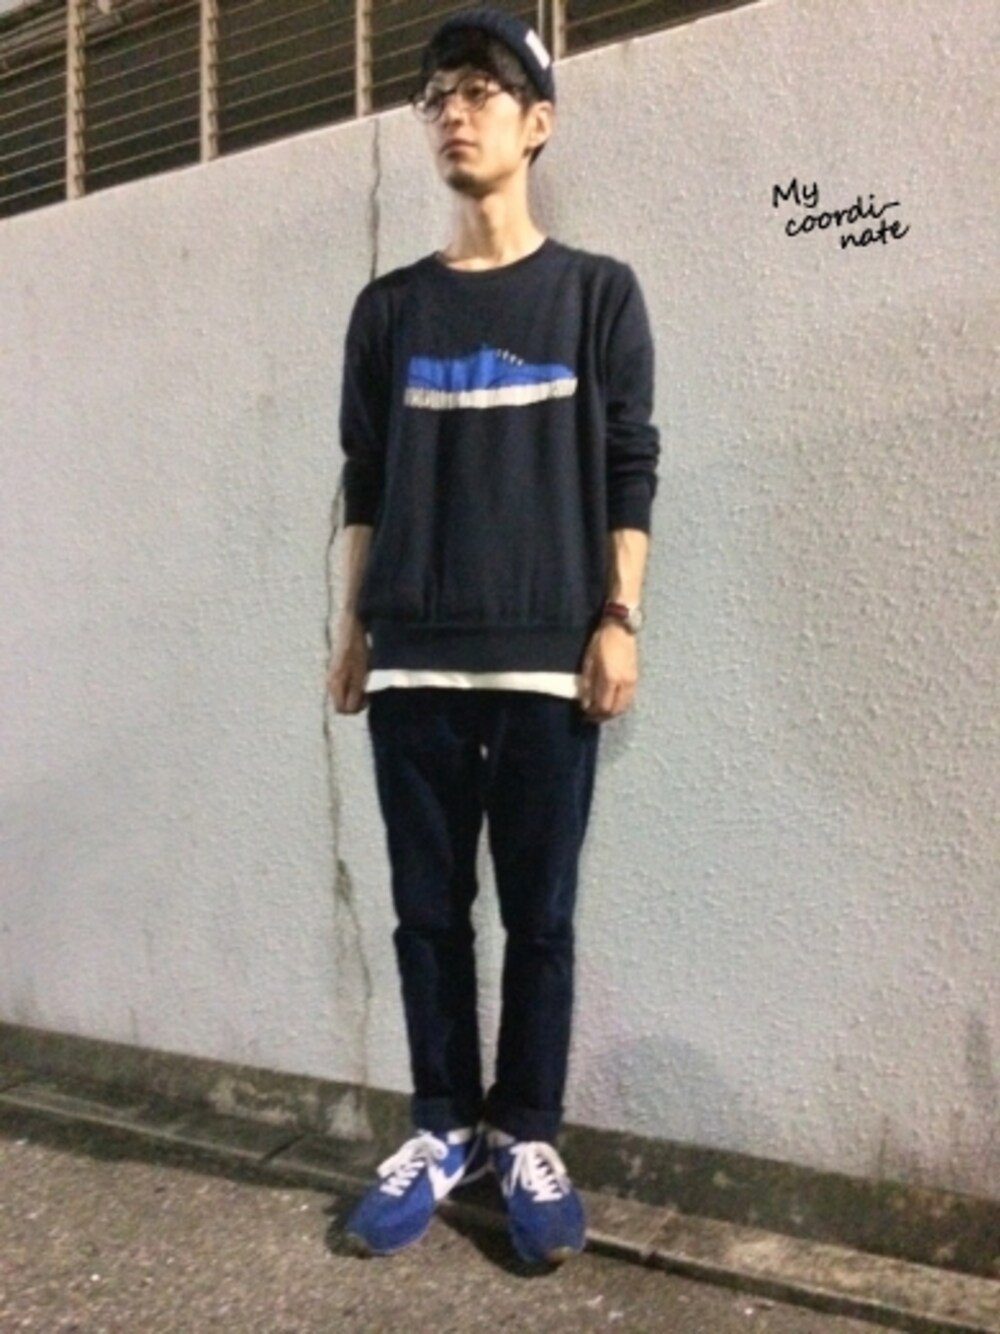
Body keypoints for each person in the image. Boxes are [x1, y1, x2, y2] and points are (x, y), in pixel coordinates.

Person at [328, 6, 658, 1267]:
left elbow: (629, 465)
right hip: (412, 653)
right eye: (437, 96)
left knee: (540, 918)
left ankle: (525, 1133)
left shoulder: (596, 295)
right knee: (425, 915)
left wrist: (617, 616)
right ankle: (440, 1126)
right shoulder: (388, 310)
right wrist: (353, 626)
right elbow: (364, 479)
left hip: (545, 659)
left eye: (480, 89)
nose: (454, 113)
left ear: (537, 123)